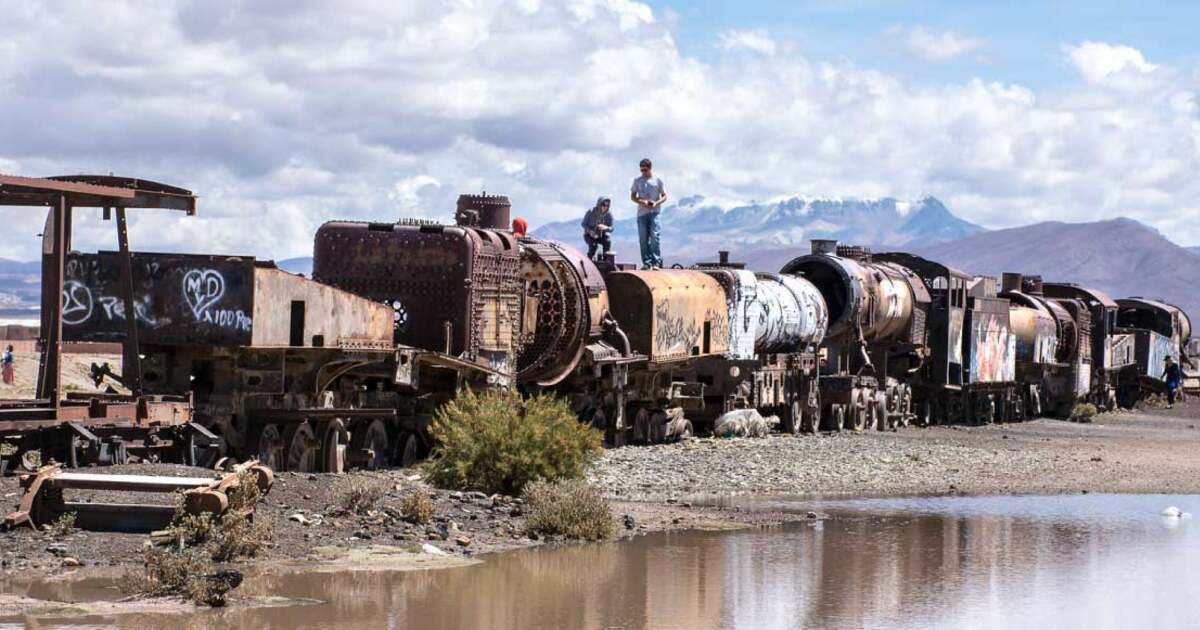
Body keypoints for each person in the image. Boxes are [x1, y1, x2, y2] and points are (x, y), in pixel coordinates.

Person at [630, 158, 667, 269]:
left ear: (650, 168)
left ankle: (656, 262)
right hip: (642, 214)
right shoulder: (637, 181)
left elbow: (664, 196)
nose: (643, 172)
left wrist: (656, 203)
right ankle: (647, 263)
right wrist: (642, 201)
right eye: (641, 170)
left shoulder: (658, 180)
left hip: (655, 212)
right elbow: (632, 196)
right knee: (643, 238)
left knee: (655, 236)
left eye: (645, 170)